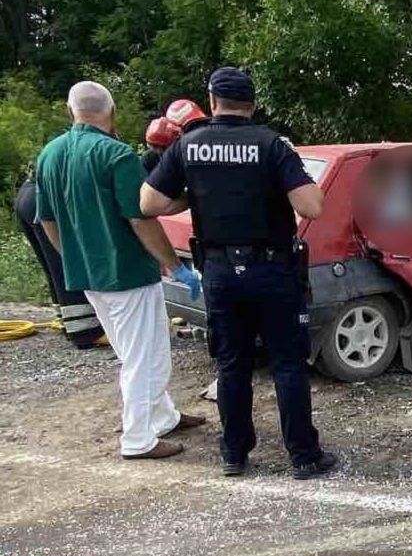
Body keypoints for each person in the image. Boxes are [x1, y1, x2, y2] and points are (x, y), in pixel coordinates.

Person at [141, 67, 336, 480]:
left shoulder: (187, 146)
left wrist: (196, 195)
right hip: (272, 270)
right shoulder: (271, 145)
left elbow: (150, 203)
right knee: (287, 364)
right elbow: (312, 206)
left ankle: (234, 454)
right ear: (252, 104)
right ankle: (304, 456)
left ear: (212, 101)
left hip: (220, 272)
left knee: (232, 365)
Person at [35, 81, 206, 460]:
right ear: (110, 113)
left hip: (88, 275)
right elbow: (141, 216)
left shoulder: (49, 154)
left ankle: (163, 415)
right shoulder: (116, 155)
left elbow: (45, 218)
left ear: (70, 111)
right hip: (127, 272)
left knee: (140, 348)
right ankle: (138, 438)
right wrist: (175, 266)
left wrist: (73, 254)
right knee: (142, 355)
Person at [13, 177, 106, 348]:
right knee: (68, 264)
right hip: (45, 198)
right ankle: (85, 332)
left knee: (53, 266)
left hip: (28, 193)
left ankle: (67, 321)